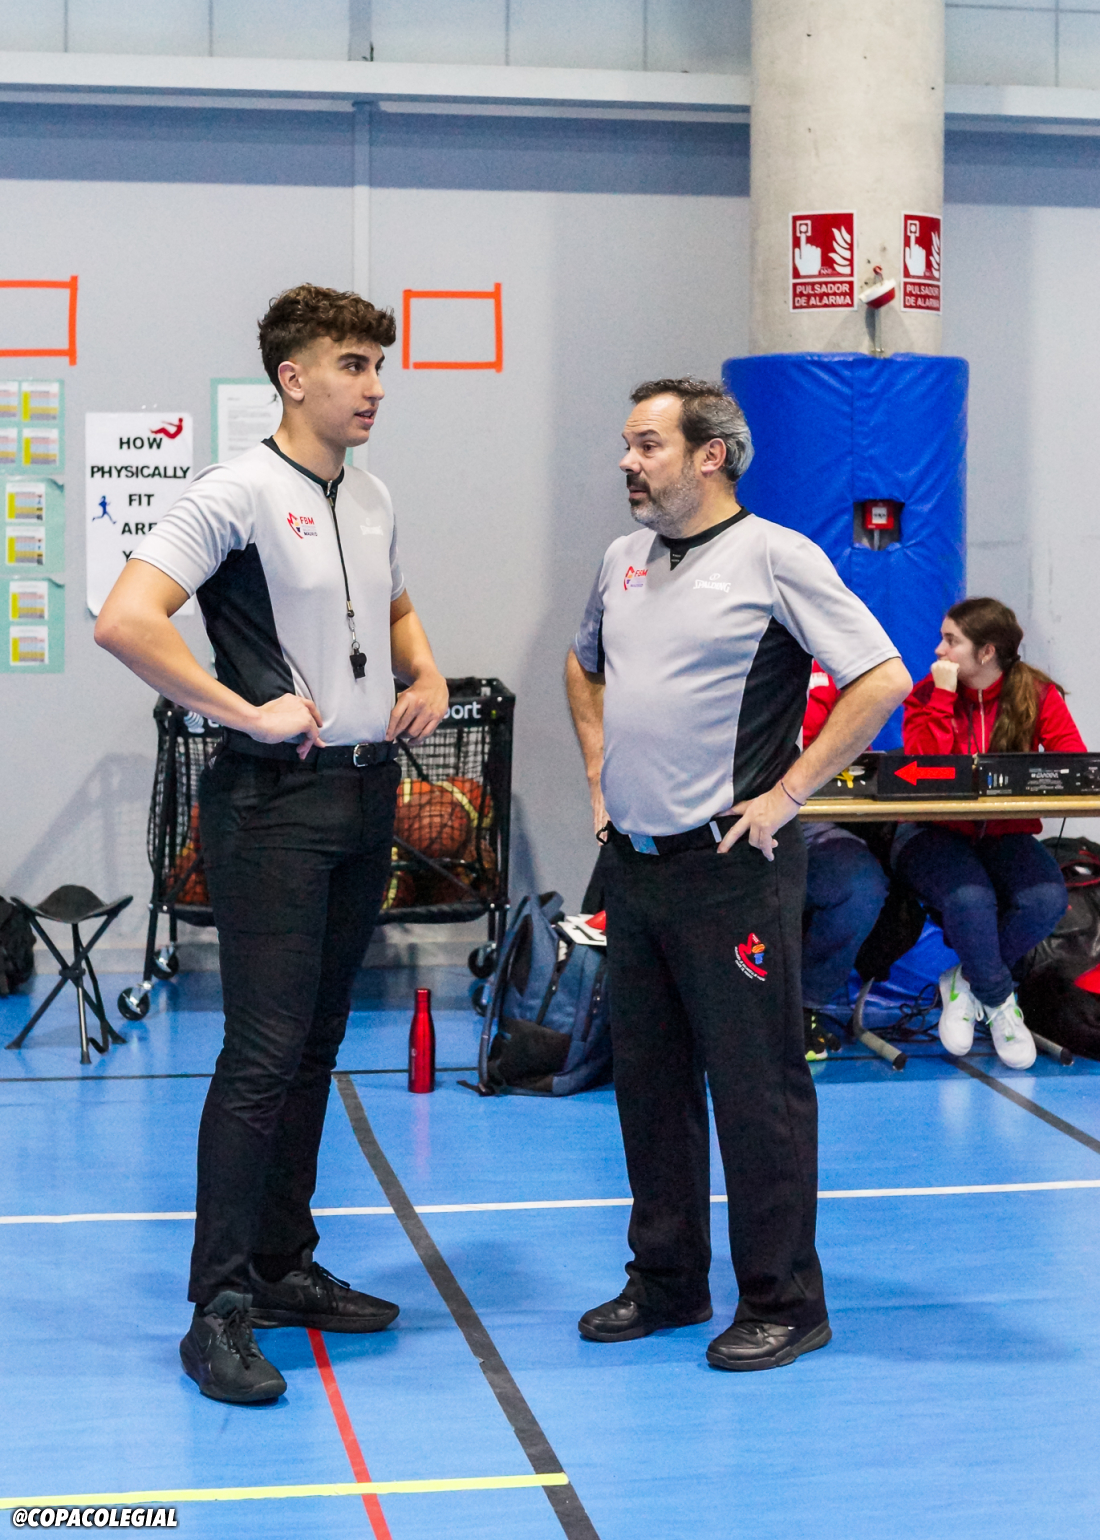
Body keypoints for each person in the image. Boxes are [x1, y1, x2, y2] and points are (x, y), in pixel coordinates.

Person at [95, 284, 448, 1404]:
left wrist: (428, 671)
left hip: (364, 795)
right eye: (353, 365)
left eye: (379, 365)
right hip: (271, 806)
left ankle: (284, 1264)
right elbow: (125, 620)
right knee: (261, 1054)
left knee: (315, 1046)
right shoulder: (234, 492)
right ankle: (219, 1306)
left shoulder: (371, 495)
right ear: (293, 378)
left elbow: (393, 608)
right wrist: (240, 711)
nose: (375, 386)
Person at [565, 378, 910, 1372]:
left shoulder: (774, 557)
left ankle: (783, 1301)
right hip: (634, 869)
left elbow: (880, 676)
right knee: (648, 1084)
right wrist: (597, 773)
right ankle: (667, 1279)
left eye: (647, 445)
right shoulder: (621, 560)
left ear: (709, 455)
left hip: (732, 870)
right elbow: (582, 666)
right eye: (626, 444)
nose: (627, 463)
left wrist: (788, 793)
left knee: (757, 1091)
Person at [896, 597, 1083, 1070]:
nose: (938, 650)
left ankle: (965, 980)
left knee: (1045, 899)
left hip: (1004, 834)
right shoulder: (926, 694)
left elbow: (1073, 763)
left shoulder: (1037, 694)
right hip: (931, 833)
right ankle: (1000, 1000)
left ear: (987, 652)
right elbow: (925, 773)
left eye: (951, 640)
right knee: (970, 899)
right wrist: (942, 698)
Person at [801, 664, 889, 1058]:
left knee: (861, 886)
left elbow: (856, 757)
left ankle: (804, 1007)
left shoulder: (829, 669)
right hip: (729, 824)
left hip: (810, 821)